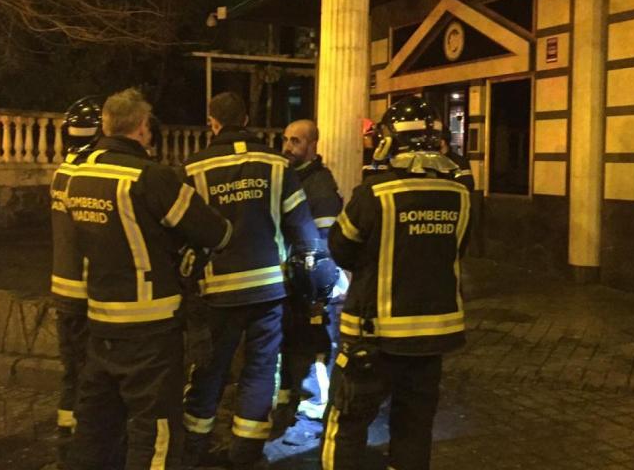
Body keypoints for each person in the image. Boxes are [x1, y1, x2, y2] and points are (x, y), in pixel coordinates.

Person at [64, 88, 233, 470]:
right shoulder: (150, 177)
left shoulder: (78, 176)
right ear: (142, 128)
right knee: (155, 431)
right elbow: (217, 232)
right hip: (150, 329)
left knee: (95, 428)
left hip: (101, 324)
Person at [322, 96, 472, 470]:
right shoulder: (460, 195)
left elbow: (340, 248)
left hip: (374, 337)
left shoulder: (374, 193)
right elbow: (456, 250)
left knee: (348, 423)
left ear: (392, 140)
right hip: (432, 338)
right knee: (414, 428)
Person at [182, 92, 320, 470]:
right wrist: (320, 286)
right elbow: (303, 229)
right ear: (246, 118)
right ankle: (245, 453)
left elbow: (183, 233)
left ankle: (193, 447)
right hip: (268, 289)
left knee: (211, 369)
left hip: (218, 291)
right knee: (261, 369)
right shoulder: (277, 165)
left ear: (213, 123)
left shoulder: (194, 168)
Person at [278, 119, 344, 446]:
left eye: (296, 141)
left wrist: (317, 287)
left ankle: (320, 404)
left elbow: (324, 242)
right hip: (292, 278)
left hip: (313, 282)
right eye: (286, 140)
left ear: (312, 146)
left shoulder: (320, 187)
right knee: (292, 341)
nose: (288, 147)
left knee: (319, 343)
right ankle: (289, 396)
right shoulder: (291, 178)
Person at [49, 96, 104, 467]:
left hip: (62, 288)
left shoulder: (62, 172)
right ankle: (85, 444)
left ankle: (66, 435)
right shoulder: (89, 179)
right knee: (90, 373)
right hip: (86, 292)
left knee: (72, 370)